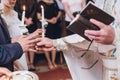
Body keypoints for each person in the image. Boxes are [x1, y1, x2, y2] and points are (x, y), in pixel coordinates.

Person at [35, 0, 120, 80]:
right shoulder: (103, 2)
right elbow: (91, 37)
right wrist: (55, 43)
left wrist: (115, 37)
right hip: (107, 67)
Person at [1, 0, 29, 71]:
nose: (12, 0)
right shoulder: (1, 14)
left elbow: (20, 28)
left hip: (18, 46)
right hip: (9, 51)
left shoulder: (14, 13)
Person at [37, 0, 62, 70]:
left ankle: (53, 61)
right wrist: (49, 20)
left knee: (54, 42)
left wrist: (56, 18)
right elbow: (39, 16)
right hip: (46, 26)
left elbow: (59, 11)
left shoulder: (54, 1)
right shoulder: (41, 3)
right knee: (46, 44)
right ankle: (49, 62)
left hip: (55, 25)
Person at [14, 0, 38, 71]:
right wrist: (25, 19)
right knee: (25, 41)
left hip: (32, 22)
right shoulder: (17, 1)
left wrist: (30, 19)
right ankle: (27, 63)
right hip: (21, 22)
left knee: (32, 42)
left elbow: (35, 9)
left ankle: (31, 63)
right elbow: (16, 10)